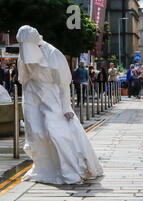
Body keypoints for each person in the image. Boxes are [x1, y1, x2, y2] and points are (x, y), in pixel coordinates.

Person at [16, 25, 103, 184]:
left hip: (51, 96)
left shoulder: (53, 54)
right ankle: (44, 168)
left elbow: (64, 84)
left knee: (57, 131)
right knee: (35, 133)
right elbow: (23, 78)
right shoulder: (23, 54)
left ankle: (68, 169)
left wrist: (66, 107)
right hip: (31, 95)